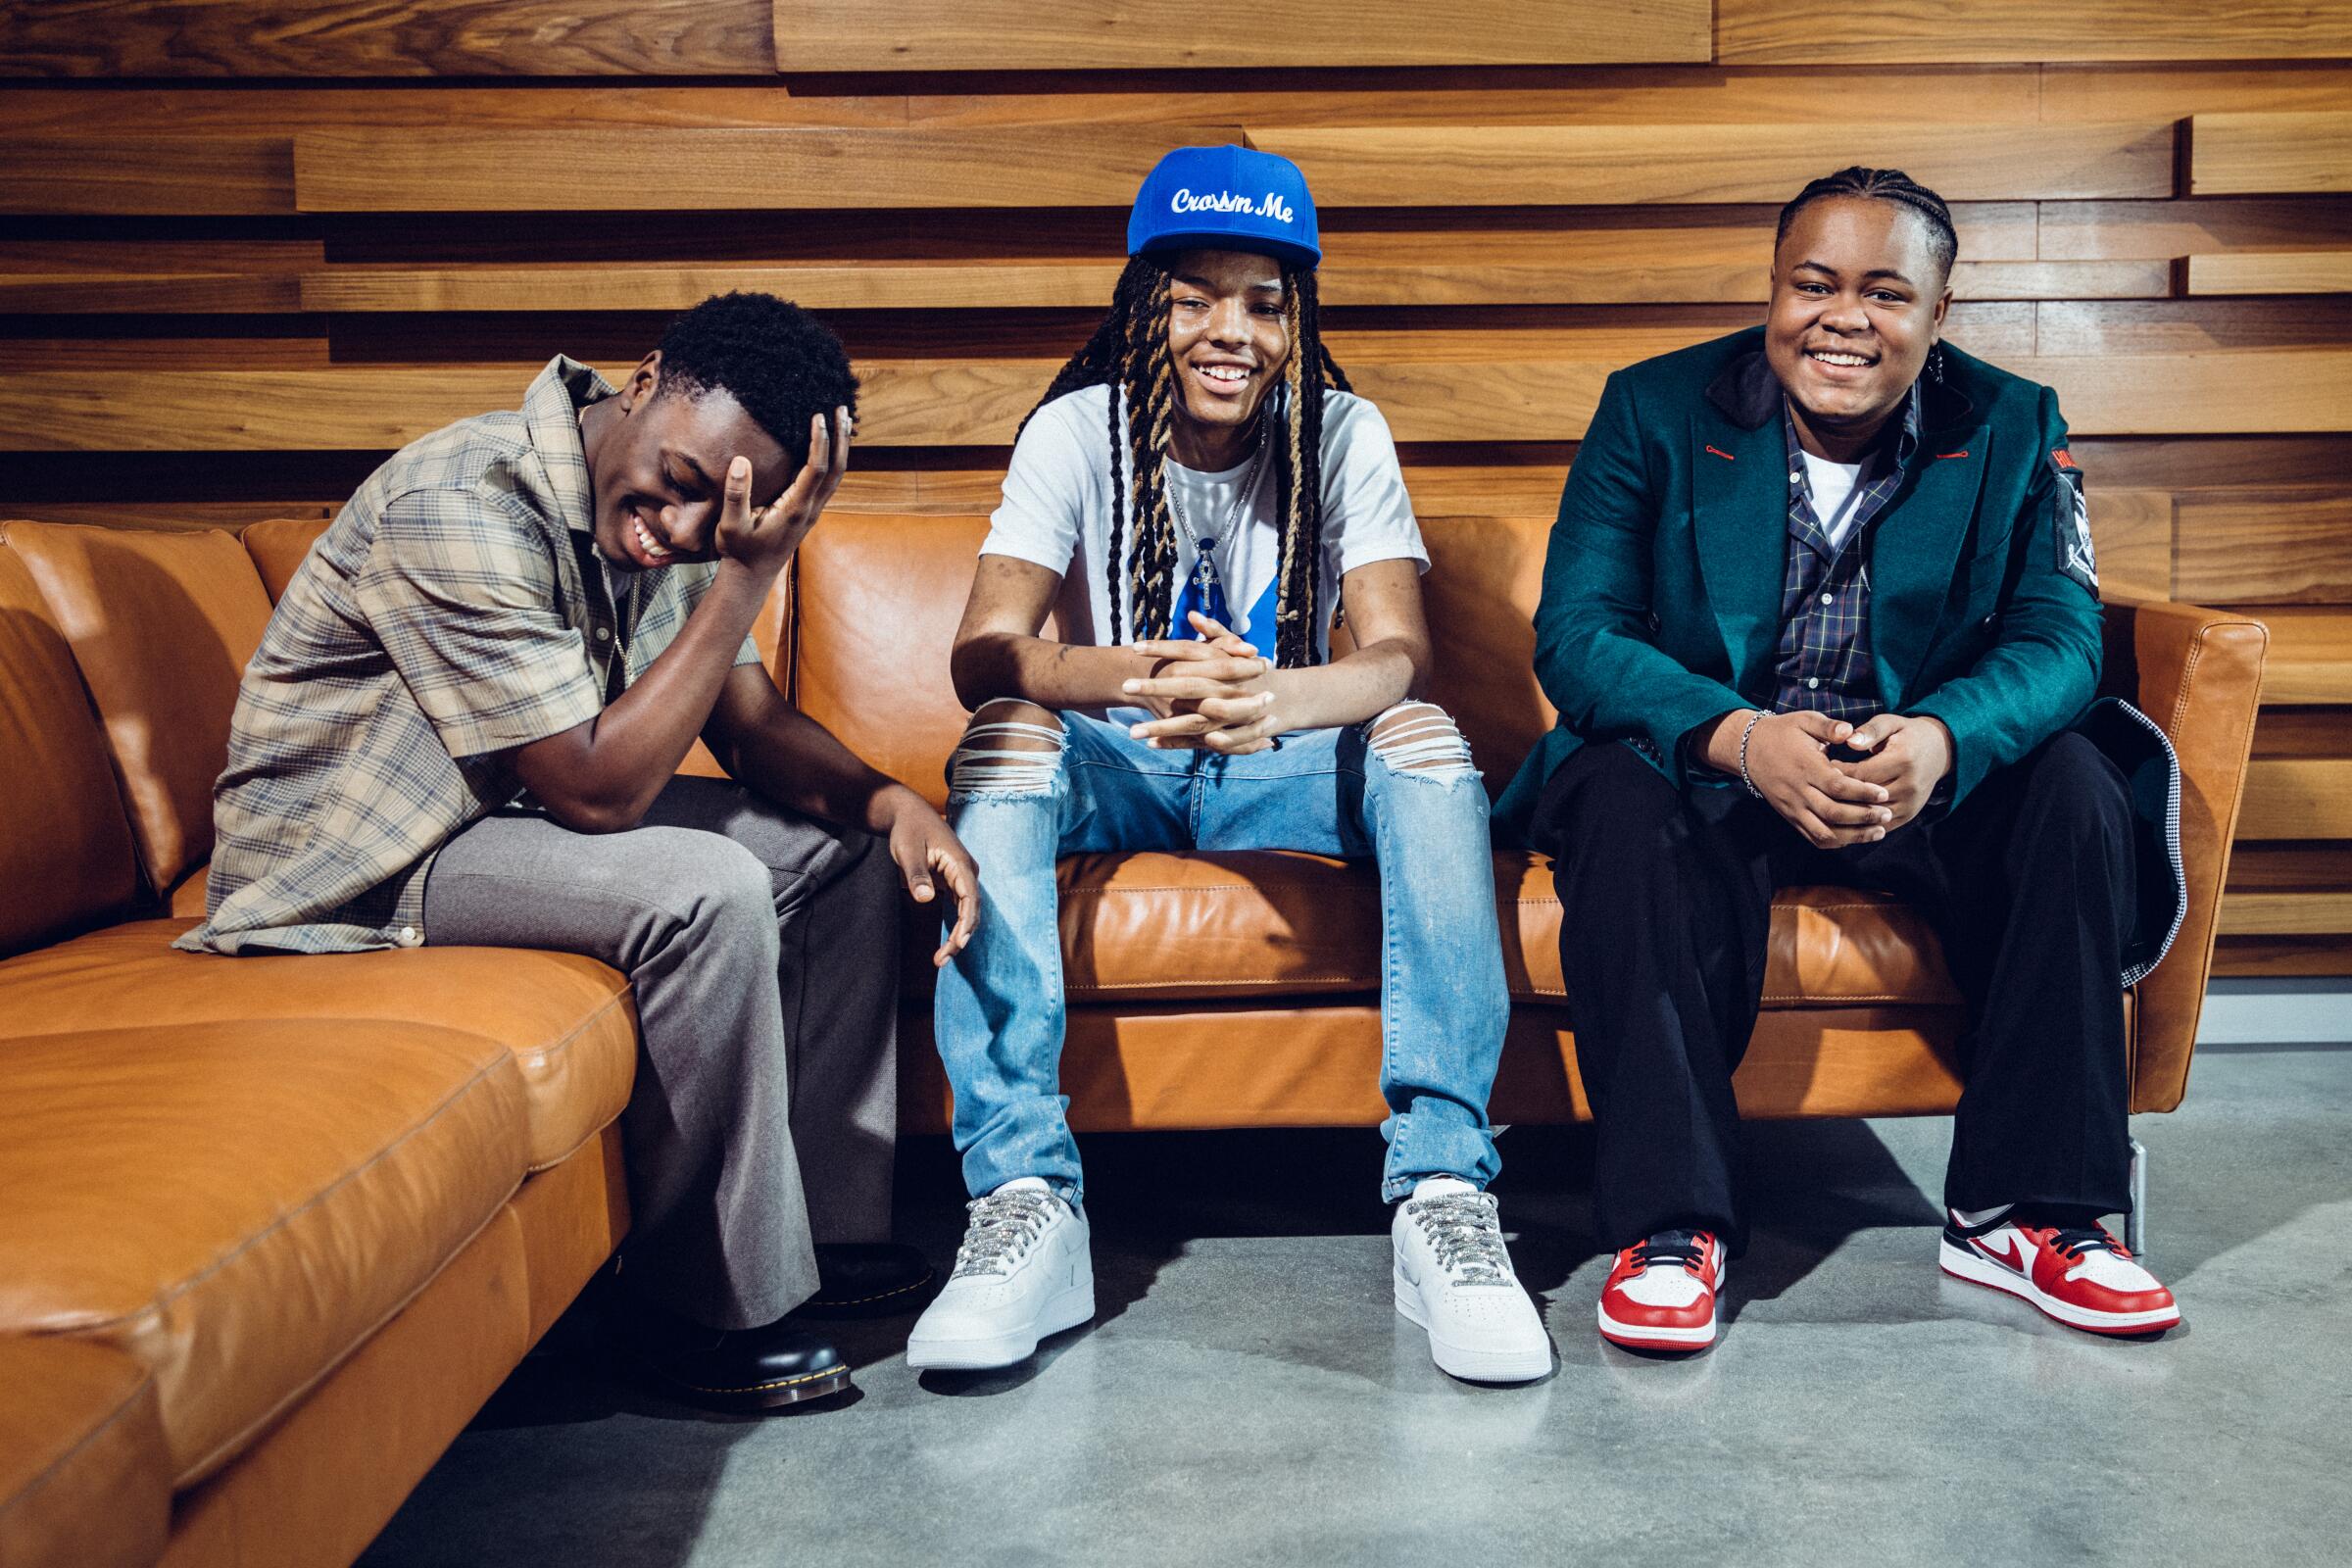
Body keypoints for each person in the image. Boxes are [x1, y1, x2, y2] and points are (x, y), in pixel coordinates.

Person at [185, 292, 979, 1409]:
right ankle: (697, 1309)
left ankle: (823, 1233)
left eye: (726, 515)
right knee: (705, 888)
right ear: (645, 378)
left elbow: (748, 729)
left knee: (842, 851)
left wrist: (894, 803)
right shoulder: (461, 497)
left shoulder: (690, 512)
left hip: (500, 822)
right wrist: (752, 572)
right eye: (687, 483)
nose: (689, 527)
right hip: (358, 866)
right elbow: (598, 791)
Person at [1496, 168, 2188, 1352]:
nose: (1843, 318)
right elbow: (1580, 632)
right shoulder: (1652, 408)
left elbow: (2063, 637)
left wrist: (1943, 737)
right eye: (1813, 283)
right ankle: (1675, 1225)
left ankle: (2026, 1213)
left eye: (1884, 292)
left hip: (1908, 768)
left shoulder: (2015, 424)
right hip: (1717, 759)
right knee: (1612, 792)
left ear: (1939, 311)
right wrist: (1741, 737)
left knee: (2077, 782)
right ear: (1773, 290)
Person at [903, 144, 1551, 1384]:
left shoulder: (1344, 433)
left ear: (1298, 317)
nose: (1230, 331)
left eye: (1265, 301)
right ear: (1142, 301)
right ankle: (1024, 1198)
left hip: (1279, 761)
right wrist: (1134, 675)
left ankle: (1444, 1197)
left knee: (1427, 743)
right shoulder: (1074, 431)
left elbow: (1400, 655)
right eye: (1195, 295)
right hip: (1123, 759)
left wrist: (1271, 699)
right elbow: (984, 651)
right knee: (1000, 740)